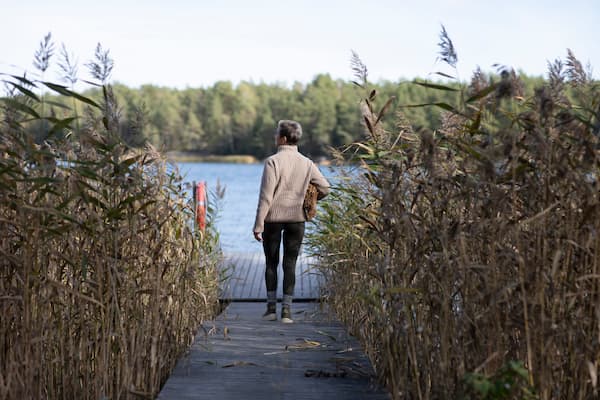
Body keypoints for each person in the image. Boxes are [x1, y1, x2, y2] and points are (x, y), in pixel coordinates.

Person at [253, 120, 330, 323]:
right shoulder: (306, 162)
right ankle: (287, 312)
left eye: (277, 133)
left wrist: (258, 224)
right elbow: (325, 188)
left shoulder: (273, 161)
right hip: (297, 219)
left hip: (273, 220)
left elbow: (266, 197)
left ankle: (271, 310)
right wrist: (310, 199)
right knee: (290, 263)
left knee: (271, 263)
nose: (275, 137)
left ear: (283, 138)